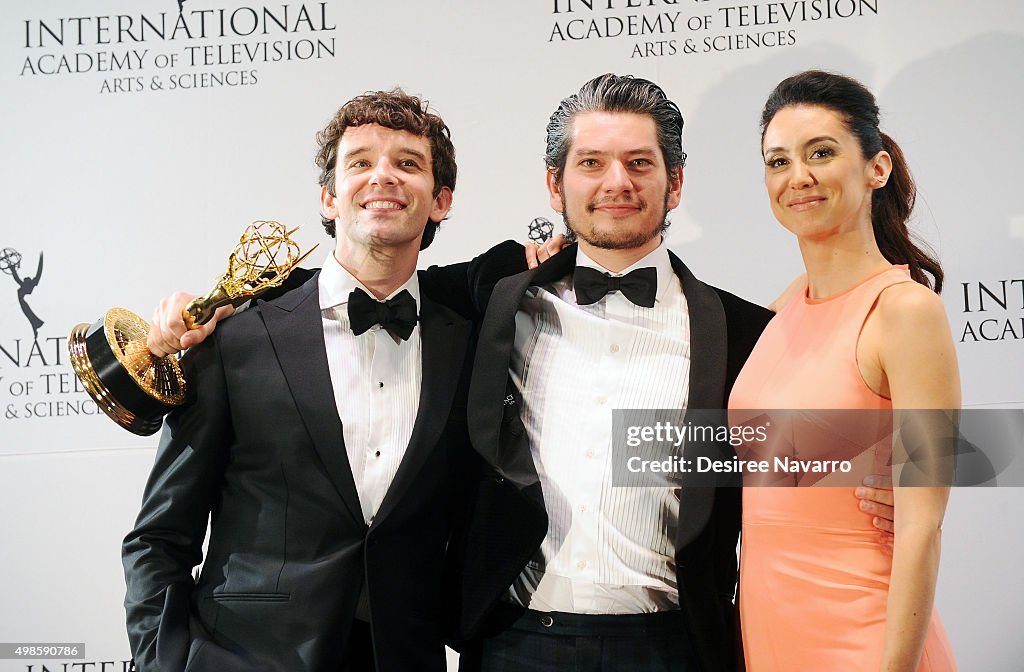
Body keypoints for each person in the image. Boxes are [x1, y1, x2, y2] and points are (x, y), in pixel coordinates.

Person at [146, 75, 898, 672]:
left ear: (675, 185)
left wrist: (895, 473)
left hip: (677, 647)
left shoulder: (746, 331)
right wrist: (207, 313)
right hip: (513, 645)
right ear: (554, 187)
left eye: (640, 164)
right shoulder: (494, 300)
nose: (616, 182)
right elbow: (356, 281)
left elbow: (825, 459)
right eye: (591, 163)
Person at [122, 89, 476, 672]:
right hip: (244, 654)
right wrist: (163, 661)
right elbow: (160, 536)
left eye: (407, 163)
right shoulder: (234, 338)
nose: (382, 176)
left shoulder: (467, 337)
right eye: (359, 162)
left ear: (440, 201)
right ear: (329, 198)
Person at [728, 70, 958, 670]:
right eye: (777, 162)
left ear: (875, 168)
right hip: (769, 632)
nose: (796, 177)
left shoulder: (904, 310)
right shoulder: (783, 306)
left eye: (821, 153)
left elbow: (920, 527)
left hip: (865, 637)